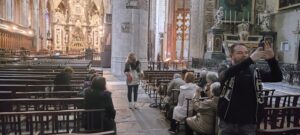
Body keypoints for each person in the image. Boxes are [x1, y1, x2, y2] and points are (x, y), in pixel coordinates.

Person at [217, 42, 282, 135]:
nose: (244, 55)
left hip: (248, 122)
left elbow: (277, 77)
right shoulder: (224, 68)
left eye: (246, 53)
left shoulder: (254, 71)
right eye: (239, 53)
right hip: (228, 120)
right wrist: (250, 59)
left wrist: (271, 59)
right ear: (231, 55)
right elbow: (227, 74)